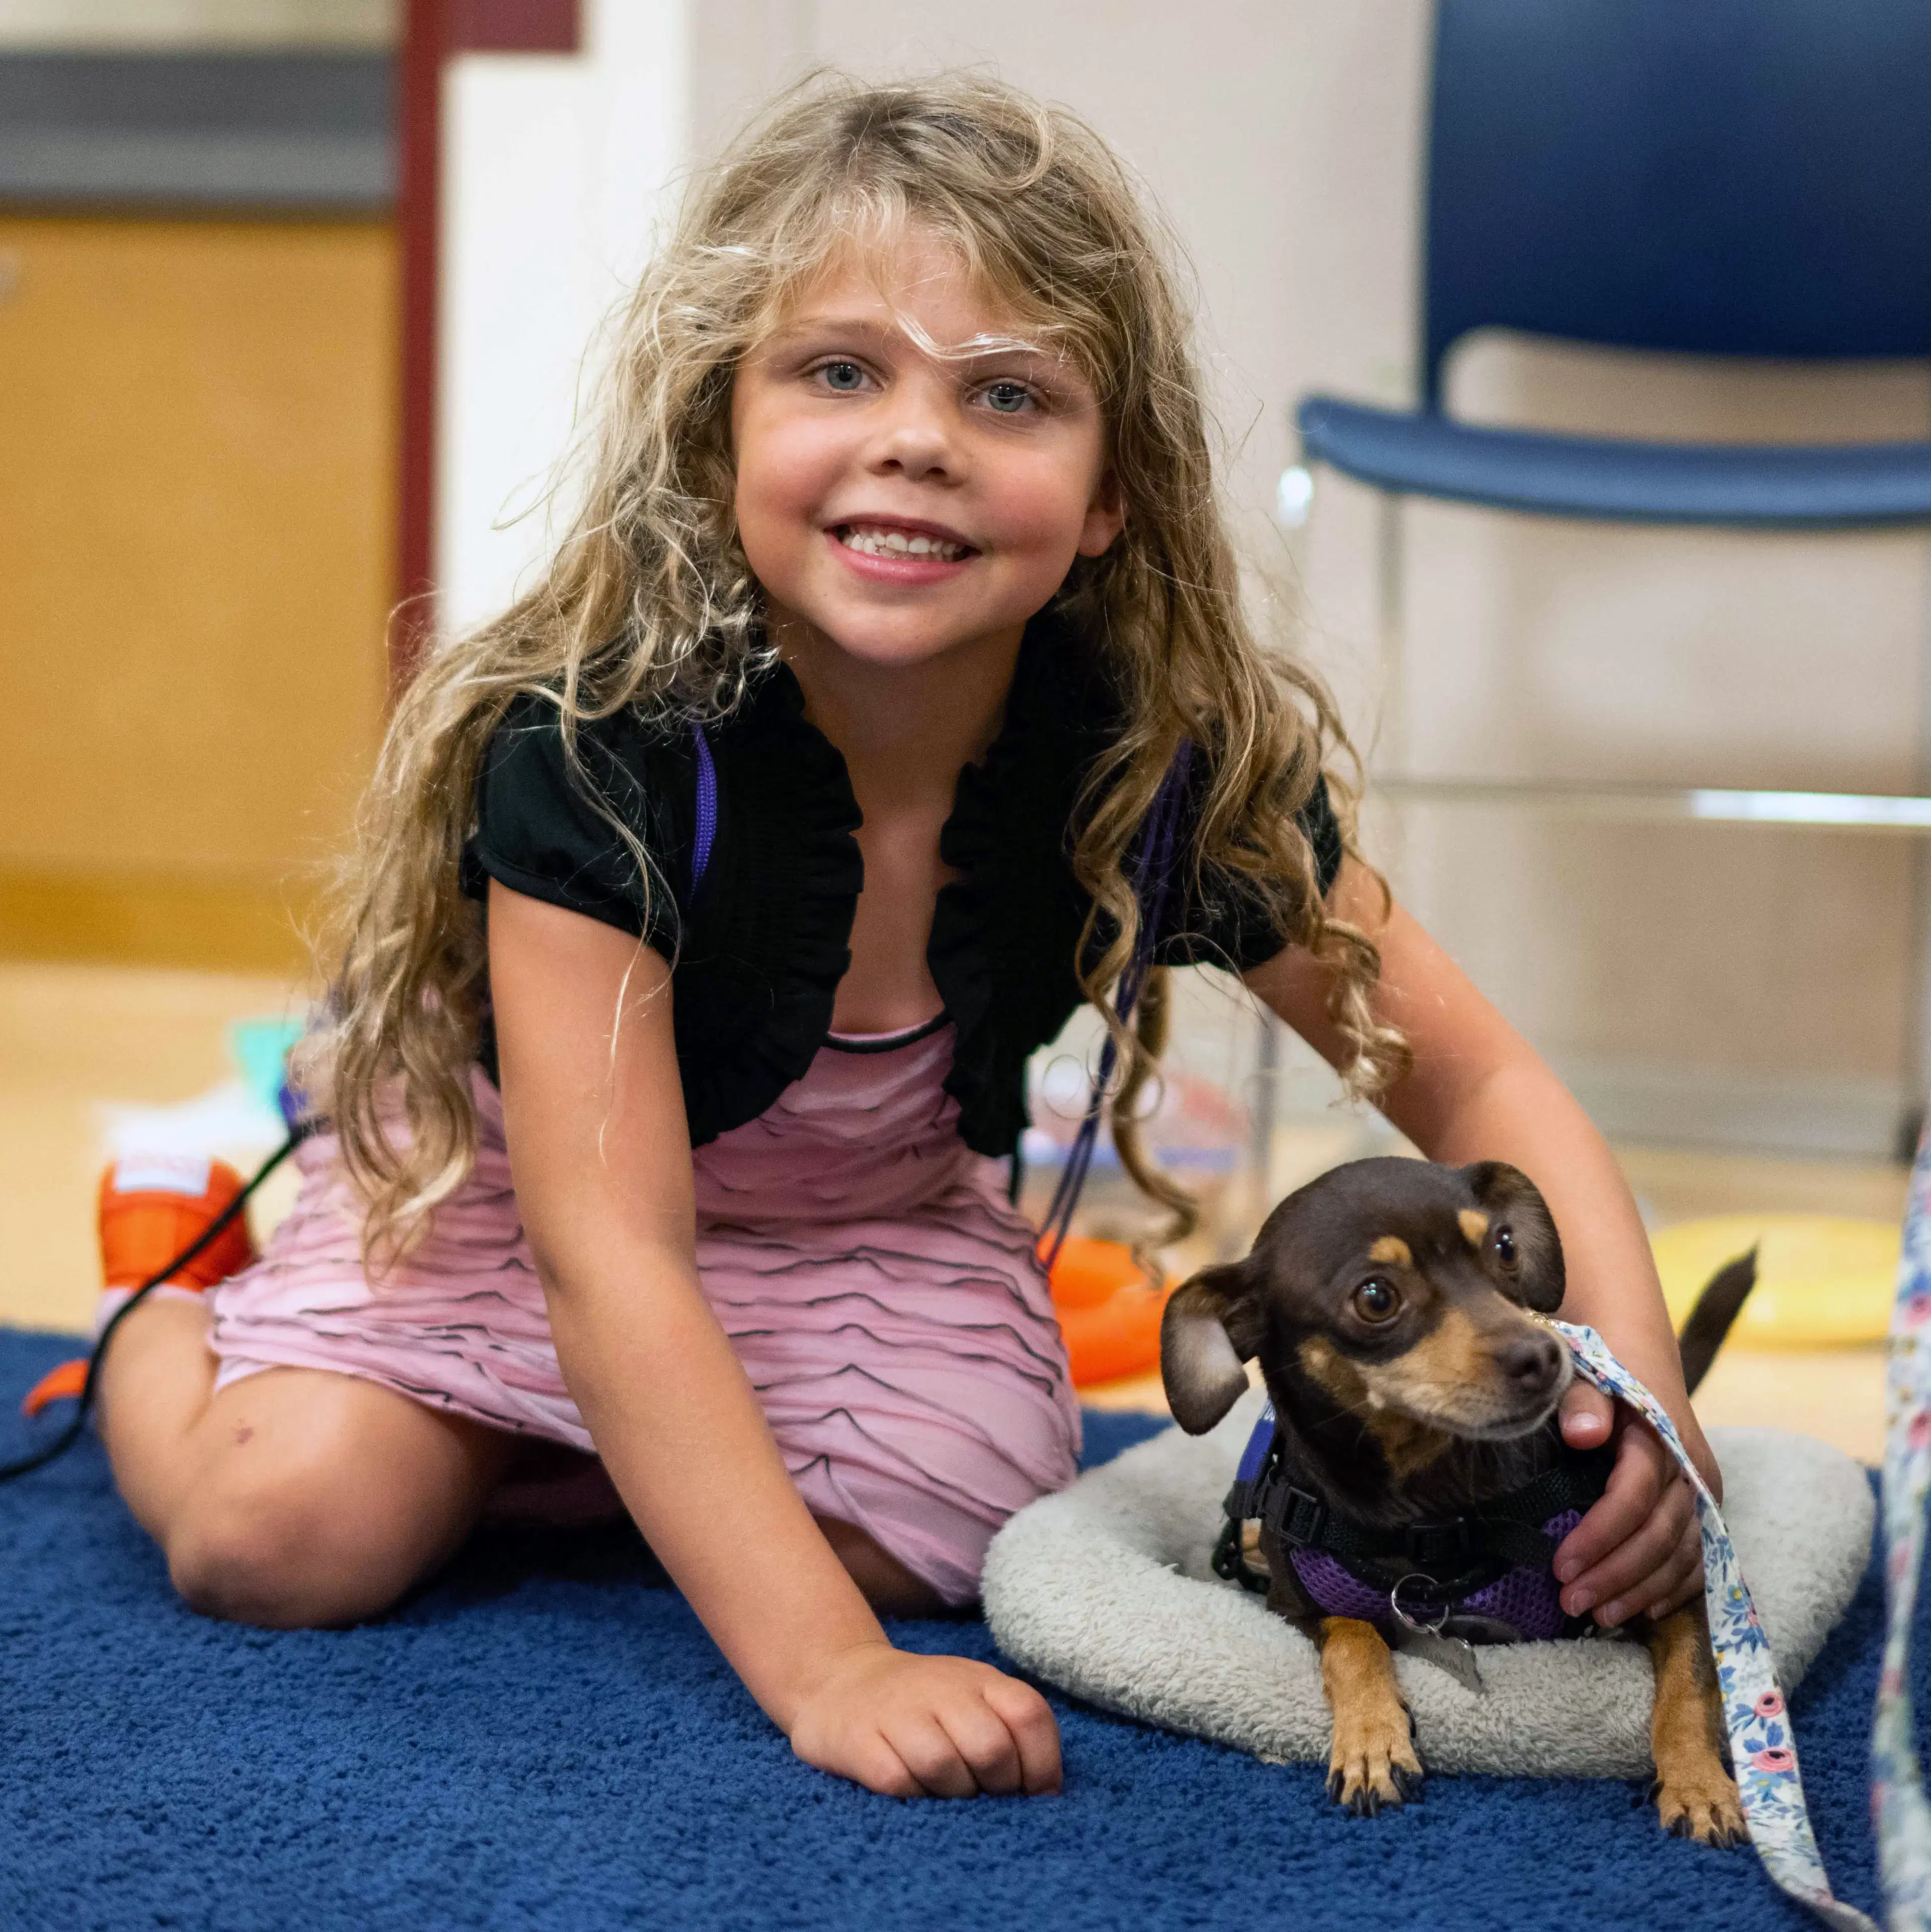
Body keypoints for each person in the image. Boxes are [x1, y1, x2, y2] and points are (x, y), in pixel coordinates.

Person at [90, 72, 1720, 1802]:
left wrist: (1651, 1411)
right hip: (535, 1220)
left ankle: (555, 1457)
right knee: (288, 1535)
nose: (918, 439)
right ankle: (178, 1333)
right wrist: (830, 1672)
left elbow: (1477, 1075)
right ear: (719, 433)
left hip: (856, 1227)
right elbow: (610, 1255)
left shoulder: (1151, 759)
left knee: (971, 1532)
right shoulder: (603, 743)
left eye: (1010, 393)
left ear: (1110, 495)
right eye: (839, 370)